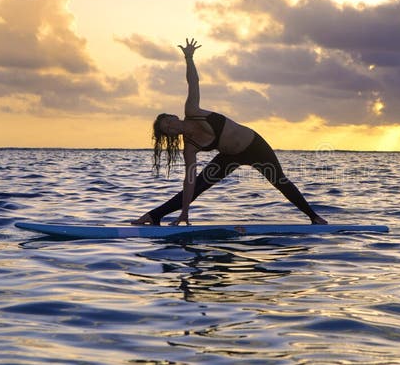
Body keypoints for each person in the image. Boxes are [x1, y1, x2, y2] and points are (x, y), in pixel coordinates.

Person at [132, 38, 328, 226]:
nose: (171, 127)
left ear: (174, 117)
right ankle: (154, 215)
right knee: (198, 185)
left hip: (254, 146)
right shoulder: (190, 148)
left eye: (168, 122)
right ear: (171, 136)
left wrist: (189, 58)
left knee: (280, 181)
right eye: (167, 130)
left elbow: (193, 82)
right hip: (229, 157)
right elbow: (189, 181)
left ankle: (314, 217)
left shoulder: (192, 111)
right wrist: (185, 212)